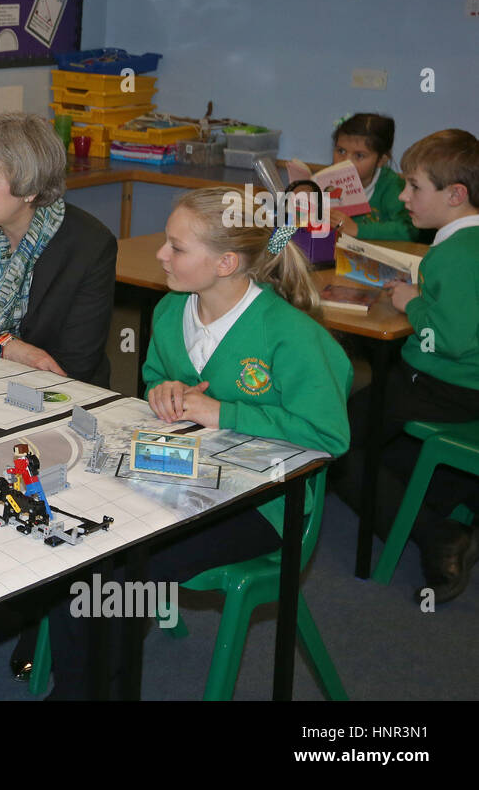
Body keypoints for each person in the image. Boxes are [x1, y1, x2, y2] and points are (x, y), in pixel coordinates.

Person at [47, 186, 353, 699]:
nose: (162, 255)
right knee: (72, 542)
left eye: (177, 247)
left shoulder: (291, 335)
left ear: (227, 262)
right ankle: (79, 686)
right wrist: (162, 390)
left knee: (124, 574)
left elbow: (328, 435)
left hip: (266, 504)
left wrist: (223, 412)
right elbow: (157, 379)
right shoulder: (171, 311)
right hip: (178, 476)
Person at [336, 129, 479, 602]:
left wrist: (413, 303)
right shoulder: (465, 244)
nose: (403, 195)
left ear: (455, 195)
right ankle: (453, 497)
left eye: (415, 187)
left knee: (336, 442)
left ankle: (436, 535)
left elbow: (452, 340)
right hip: (463, 390)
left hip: (440, 385)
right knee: (383, 446)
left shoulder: (457, 253)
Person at [0, 111, 117, 387]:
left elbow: (77, 363)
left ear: (31, 189)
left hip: (61, 392)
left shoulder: (89, 246)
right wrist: (7, 347)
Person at [328, 113, 419, 241]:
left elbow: (409, 230)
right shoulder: (327, 181)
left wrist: (357, 229)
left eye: (359, 155)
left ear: (381, 160)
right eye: (341, 151)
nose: (345, 162)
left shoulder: (393, 186)